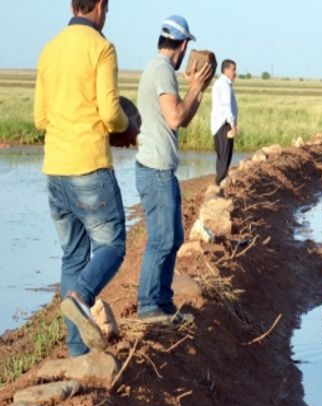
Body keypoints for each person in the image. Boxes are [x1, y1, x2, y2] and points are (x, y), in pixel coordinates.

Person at [34, 0, 136, 355]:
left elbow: (39, 118)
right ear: (100, 6)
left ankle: (78, 352)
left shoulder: (50, 49)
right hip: (88, 165)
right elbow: (110, 112)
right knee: (113, 246)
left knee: (72, 256)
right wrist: (129, 126)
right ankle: (82, 296)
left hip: (55, 170)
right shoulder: (101, 47)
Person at [134, 15, 212, 323]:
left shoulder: (161, 69)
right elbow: (175, 118)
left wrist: (198, 91)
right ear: (182, 45)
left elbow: (184, 116)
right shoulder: (163, 70)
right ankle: (148, 305)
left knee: (175, 236)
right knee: (162, 239)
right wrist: (193, 87)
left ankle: (163, 303)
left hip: (161, 168)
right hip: (155, 169)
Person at [210, 58, 239, 187]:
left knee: (222, 156)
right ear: (226, 70)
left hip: (219, 124)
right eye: (233, 69)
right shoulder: (224, 85)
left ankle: (220, 183)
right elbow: (227, 106)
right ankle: (219, 185)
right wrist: (232, 125)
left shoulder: (221, 83)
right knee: (225, 156)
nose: (235, 73)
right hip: (224, 124)